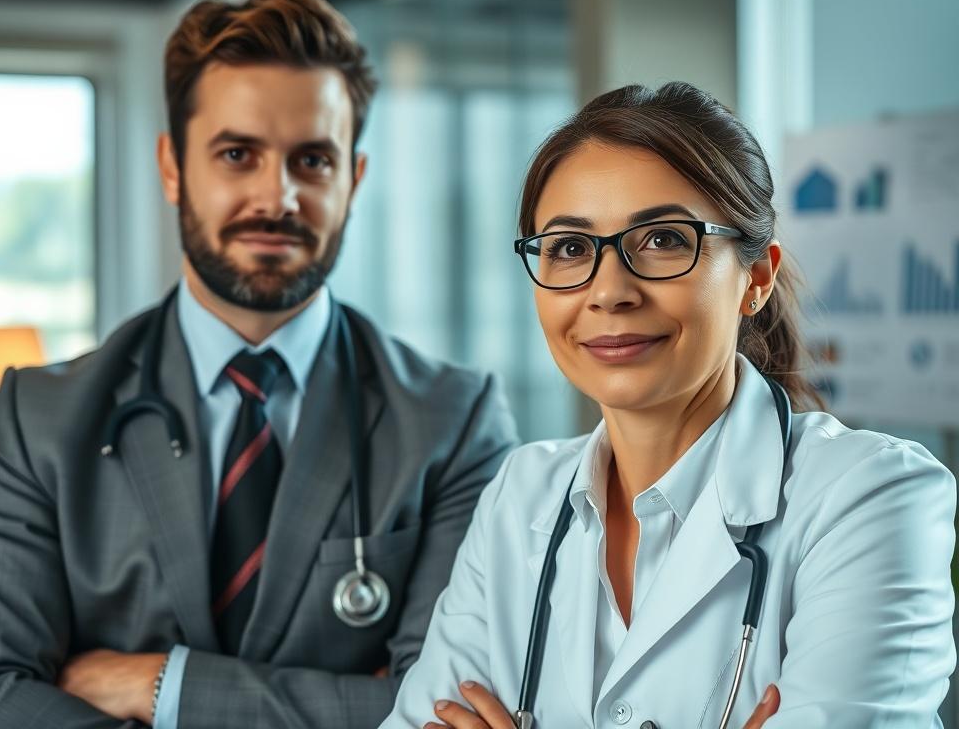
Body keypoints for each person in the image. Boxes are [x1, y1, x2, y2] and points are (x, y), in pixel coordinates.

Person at [0, 0, 518, 729]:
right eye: (238, 154)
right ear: (174, 166)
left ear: (353, 180)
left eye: (312, 160)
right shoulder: (40, 420)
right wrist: (354, 700)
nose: (277, 197)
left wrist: (160, 687)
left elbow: (445, 712)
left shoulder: (451, 422)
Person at [378, 82, 956, 729]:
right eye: (570, 248)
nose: (609, 291)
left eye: (662, 241)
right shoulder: (521, 496)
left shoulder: (872, 495)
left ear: (756, 279)